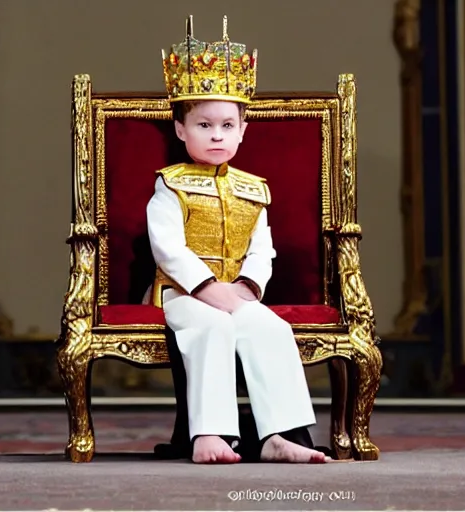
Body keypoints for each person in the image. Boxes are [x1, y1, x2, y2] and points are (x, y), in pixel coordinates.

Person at [145, 15, 330, 465]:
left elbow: (262, 248)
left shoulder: (254, 189)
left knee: (271, 327)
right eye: (205, 125)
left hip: (236, 292)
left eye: (227, 126)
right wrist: (209, 289)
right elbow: (167, 246)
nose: (216, 135)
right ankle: (210, 434)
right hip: (181, 294)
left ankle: (281, 436)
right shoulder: (170, 184)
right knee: (213, 326)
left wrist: (247, 288)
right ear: (181, 129)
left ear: (243, 130)